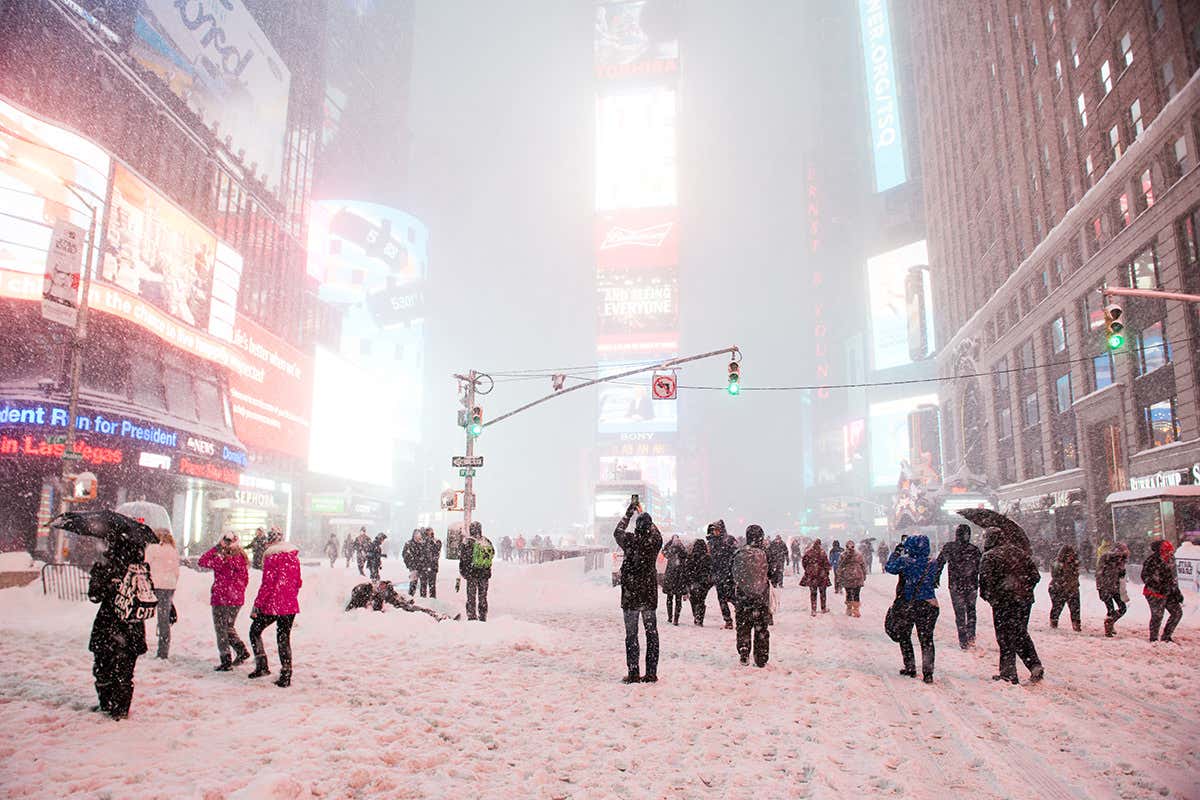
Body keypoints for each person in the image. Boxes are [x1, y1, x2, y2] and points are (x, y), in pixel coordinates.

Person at [87, 536, 152, 719]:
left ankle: (107, 703)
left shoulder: (105, 565)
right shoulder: (141, 568)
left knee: (103, 668)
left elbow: (94, 595)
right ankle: (121, 708)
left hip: (108, 625)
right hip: (132, 627)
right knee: (125, 672)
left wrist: (106, 583)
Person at [979, 526, 1043, 685]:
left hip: (1003, 603)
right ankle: (1034, 665)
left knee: (1005, 637)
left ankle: (1008, 673)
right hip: (1024, 601)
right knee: (1020, 633)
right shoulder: (1020, 553)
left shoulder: (990, 556)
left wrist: (992, 596)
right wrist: (1024, 589)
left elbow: (985, 582)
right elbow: (1035, 576)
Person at [614, 500, 662, 683]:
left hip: (631, 596)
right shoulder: (654, 542)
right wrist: (643, 513)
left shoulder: (630, 541)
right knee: (652, 634)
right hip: (648, 596)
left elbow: (617, 531)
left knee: (631, 635)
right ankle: (651, 673)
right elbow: (657, 534)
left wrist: (629, 513)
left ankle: (633, 672)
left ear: (636, 527)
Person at [248, 530, 302, 687]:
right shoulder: (293, 557)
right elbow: (298, 582)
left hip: (273, 605)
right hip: (289, 605)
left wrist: (257, 605)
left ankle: (262, 666)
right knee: (283, 638)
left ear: (269, 543)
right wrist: (289, 596)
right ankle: (286, 674)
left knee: (254, 631)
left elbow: (267, 585)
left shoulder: (272, 558)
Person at [884, 535, 940, 682]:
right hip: (929, 604)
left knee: (904, 635)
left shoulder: (905, 562)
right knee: (927, 639)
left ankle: (910, 667)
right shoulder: (932, 563)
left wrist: (896, 553)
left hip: (909, 604)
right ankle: (928, 673)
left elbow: (889, 567)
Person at [198, 533, 252, 671]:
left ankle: (226, 660)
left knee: (221, 629)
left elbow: (202, 561)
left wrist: (217, 547)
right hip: (236, 599)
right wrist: (237, 591)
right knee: (228, 627)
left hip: (221, 598)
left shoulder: (220, 558)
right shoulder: (241, 557)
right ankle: (241, 650)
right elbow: (245, 580)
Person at [936, 524, 982, 649]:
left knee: (960, 613)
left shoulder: (950, 547)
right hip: (971, 584)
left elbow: (939, 563)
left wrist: (936, 577)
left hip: (955, 585)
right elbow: (981, 568)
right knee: (971, 611)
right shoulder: (974, 549)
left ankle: (963, 639)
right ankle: (971, 635)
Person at [732, 525, 771, 667]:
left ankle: (744, 649)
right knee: (761, 628)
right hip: (761, 597)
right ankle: (761, 657)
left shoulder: (739, 553)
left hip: (743, 597)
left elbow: (732, 574)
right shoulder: (764, 554)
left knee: (743, 626)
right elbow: (772, 573)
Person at [143, 529, 180, 659]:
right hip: (169, 585)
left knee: (141, 612)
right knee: (163, 618)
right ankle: (163, 651)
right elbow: (176, 572)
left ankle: (139, 644)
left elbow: (145, 564)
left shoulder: (153, 548)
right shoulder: (173, 550)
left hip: (156, 584)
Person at [345, 580, 458, 620]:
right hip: (399, 605)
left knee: (418, 609)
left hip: (399, 604)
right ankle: (439, 616)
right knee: (417, 610)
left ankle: (439, 616)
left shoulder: (375, 592)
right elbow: (377, 608)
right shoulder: (369, 593)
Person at [1141, 539, 1183, 643]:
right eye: (1167, 551)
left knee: (1177, 613)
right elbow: (1145, 577)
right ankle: (1154, 638)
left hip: (1168, 592)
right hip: (1154, 593)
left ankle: (1166, 636)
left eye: (1170, 551)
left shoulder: (1170, 560)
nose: (1169, 553)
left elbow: (1172, 578)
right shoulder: (1152, 561)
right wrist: (1158, 586)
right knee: (1157, 615)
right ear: (1161, 551)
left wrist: (1176, 592)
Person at [459, 522, 495, 621]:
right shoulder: (486, 541)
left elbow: (463, 558)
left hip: (471, 574)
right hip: (484, 574)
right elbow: (492, 553)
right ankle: (483, 616)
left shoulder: (467, 541)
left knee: (471, 597)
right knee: (483, 597)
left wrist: (463, 572)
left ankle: (471, 616)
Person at [706, 520, 737, 629]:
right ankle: (728, 620)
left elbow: (735, 555)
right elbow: (710, 558)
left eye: (717, 530)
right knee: (722, 599)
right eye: (713, 530)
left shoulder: (729, 540)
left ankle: (741, 616)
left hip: (729, 575)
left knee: (733, 598)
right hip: (718, 574)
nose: (715, 532)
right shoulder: (711, 542)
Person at [1096, 542, 1130, 637]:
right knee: (1111, 609)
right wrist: (1100, 587)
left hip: (1115, 588)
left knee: (1122, 608)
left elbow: (1120, 576)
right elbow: (1099, 573)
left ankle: (1110, 623)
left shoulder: (1120, 562)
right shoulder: (1106, 558)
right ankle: (1109, 627)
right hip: (1105, 587)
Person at [1048, 545, 1082, 632]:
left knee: (1075, 608)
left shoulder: (1074, 563)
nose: (1071, 556)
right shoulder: (1057, 563)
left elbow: (1075, 575)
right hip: (1059, 588)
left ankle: (1076, 624)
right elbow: (1055, 575)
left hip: (1072, 588)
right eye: (1069, 555)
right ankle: (1054, 621)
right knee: (1057, 606)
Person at [661, 534, 689, 626]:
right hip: (679, 578)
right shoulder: (682, 553)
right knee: (678, 600)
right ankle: (676, 619)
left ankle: (670, 617)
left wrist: (670, 541)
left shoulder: (670, 552)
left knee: (669, 598)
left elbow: (663, 551)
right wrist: (680, 544)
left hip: (670, 578)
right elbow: (686, 553)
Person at [800, 539, 832, 616]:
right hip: (821, 575)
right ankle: (823, 608)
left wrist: (808, 569)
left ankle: (813, 609)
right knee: (823, 593)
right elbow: (826, 563)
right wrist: (826, 570)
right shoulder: (822, 552)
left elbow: (804, 562)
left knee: (813, 593)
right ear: (820, 544)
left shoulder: (808, 552)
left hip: (812, 575)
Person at [836, 540, 867, 617]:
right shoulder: (858, 555)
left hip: (847, 577)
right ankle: (856, 610)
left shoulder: (843, 555)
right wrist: (864, 574)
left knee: (849, 593)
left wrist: (839, 575)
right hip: (857, 576)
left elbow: (840, 566)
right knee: (856, 594)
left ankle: (849, 608)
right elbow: (863, 565)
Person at [687, 538, 712, 626]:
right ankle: (699, 618)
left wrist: (688, 581)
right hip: (703, 583)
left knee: (693, 600)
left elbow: (687, 570)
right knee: (701, 600)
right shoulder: (708, 558)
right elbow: (711, 571)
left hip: (693, 582)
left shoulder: (690, 557)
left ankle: (696, 615)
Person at [402, 530, 424, 596]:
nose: (418, 536)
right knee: (413, 582)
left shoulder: (422, 543)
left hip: (422, 566)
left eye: (419, 534)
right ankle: (411, 595)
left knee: (423, 583)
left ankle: (423, 597)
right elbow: (405, 554)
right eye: (416, 534)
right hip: (413, 566)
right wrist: (410, 564)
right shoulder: (409, 544)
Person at [421, 528, 441, 598]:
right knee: (423, 586)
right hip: (424, 567)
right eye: (427, 532)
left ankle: (432, 600)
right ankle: (423, 600)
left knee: (432, 586)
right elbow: (421, 553)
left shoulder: (436, 541)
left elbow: (437, 551)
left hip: (432, 567)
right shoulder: (423, 542)